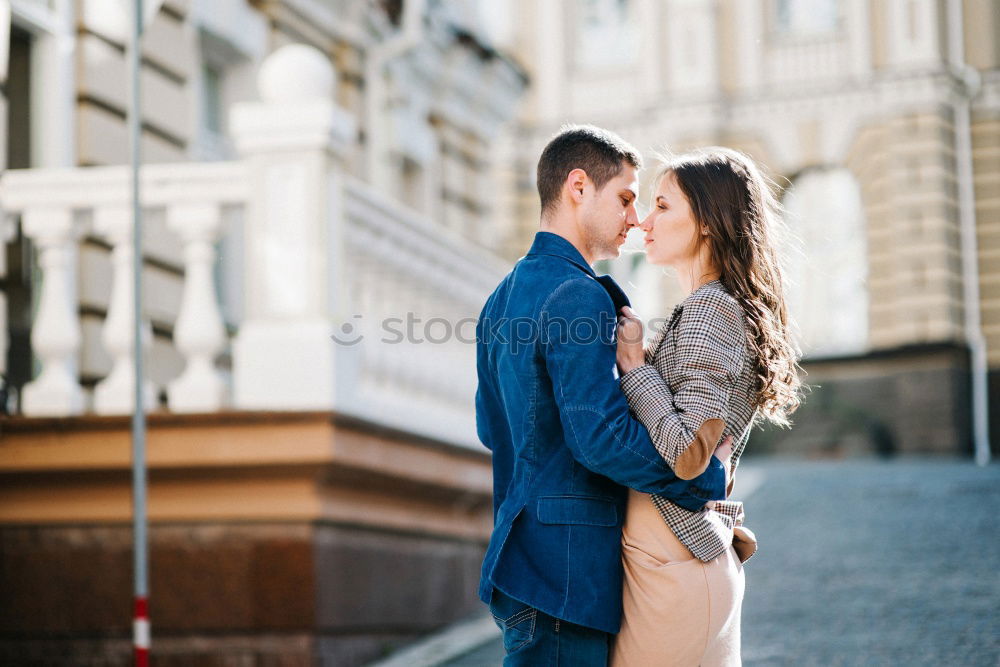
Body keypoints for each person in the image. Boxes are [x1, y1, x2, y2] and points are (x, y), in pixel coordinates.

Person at [474, 125, 732, 666]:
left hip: (522, 563)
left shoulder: (501, 298)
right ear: (577, 187)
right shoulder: (579, 295)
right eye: (625, 198)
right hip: (565, 573)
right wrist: (699, 478)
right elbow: (599, 437)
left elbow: (489, 424)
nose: (634, 219)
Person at [611, 147, 802, 666]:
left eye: (664, 207)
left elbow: (690, 453)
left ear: (708, 224)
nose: (645, 223)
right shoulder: (706, 309)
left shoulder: (710, 310)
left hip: (674, 565)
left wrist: (634, 367)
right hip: (677, 560)